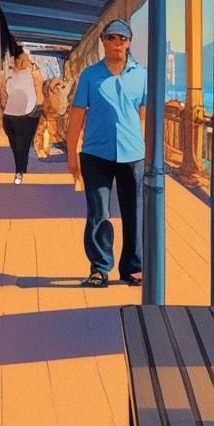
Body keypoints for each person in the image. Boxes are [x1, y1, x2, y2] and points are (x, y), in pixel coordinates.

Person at [67, 19, 147, 288]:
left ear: (129, 42)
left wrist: (150, 153)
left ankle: (133, 267)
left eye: (122, 39)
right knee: (99, 212)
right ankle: (100, 268)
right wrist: (71, 153)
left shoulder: (142, 75)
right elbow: (77, 114)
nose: (117, 43)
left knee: (134, 212)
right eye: (111, 38)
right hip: (95, 154)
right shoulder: (90, 75)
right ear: (102, 41)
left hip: (133, 154)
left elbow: (145, 118)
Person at [0, 47, 46, 185]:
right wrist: (3, 111)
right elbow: (2, 92)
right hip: (10, 115)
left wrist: (38, 109)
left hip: (28, 114)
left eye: (20, 58)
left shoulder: (32, 71)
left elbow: (39, 88)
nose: (18, 61)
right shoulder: (5, 73)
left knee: (22, 143)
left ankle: (19, 171)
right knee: (15, 145)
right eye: (16, 58)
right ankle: (21, 166)